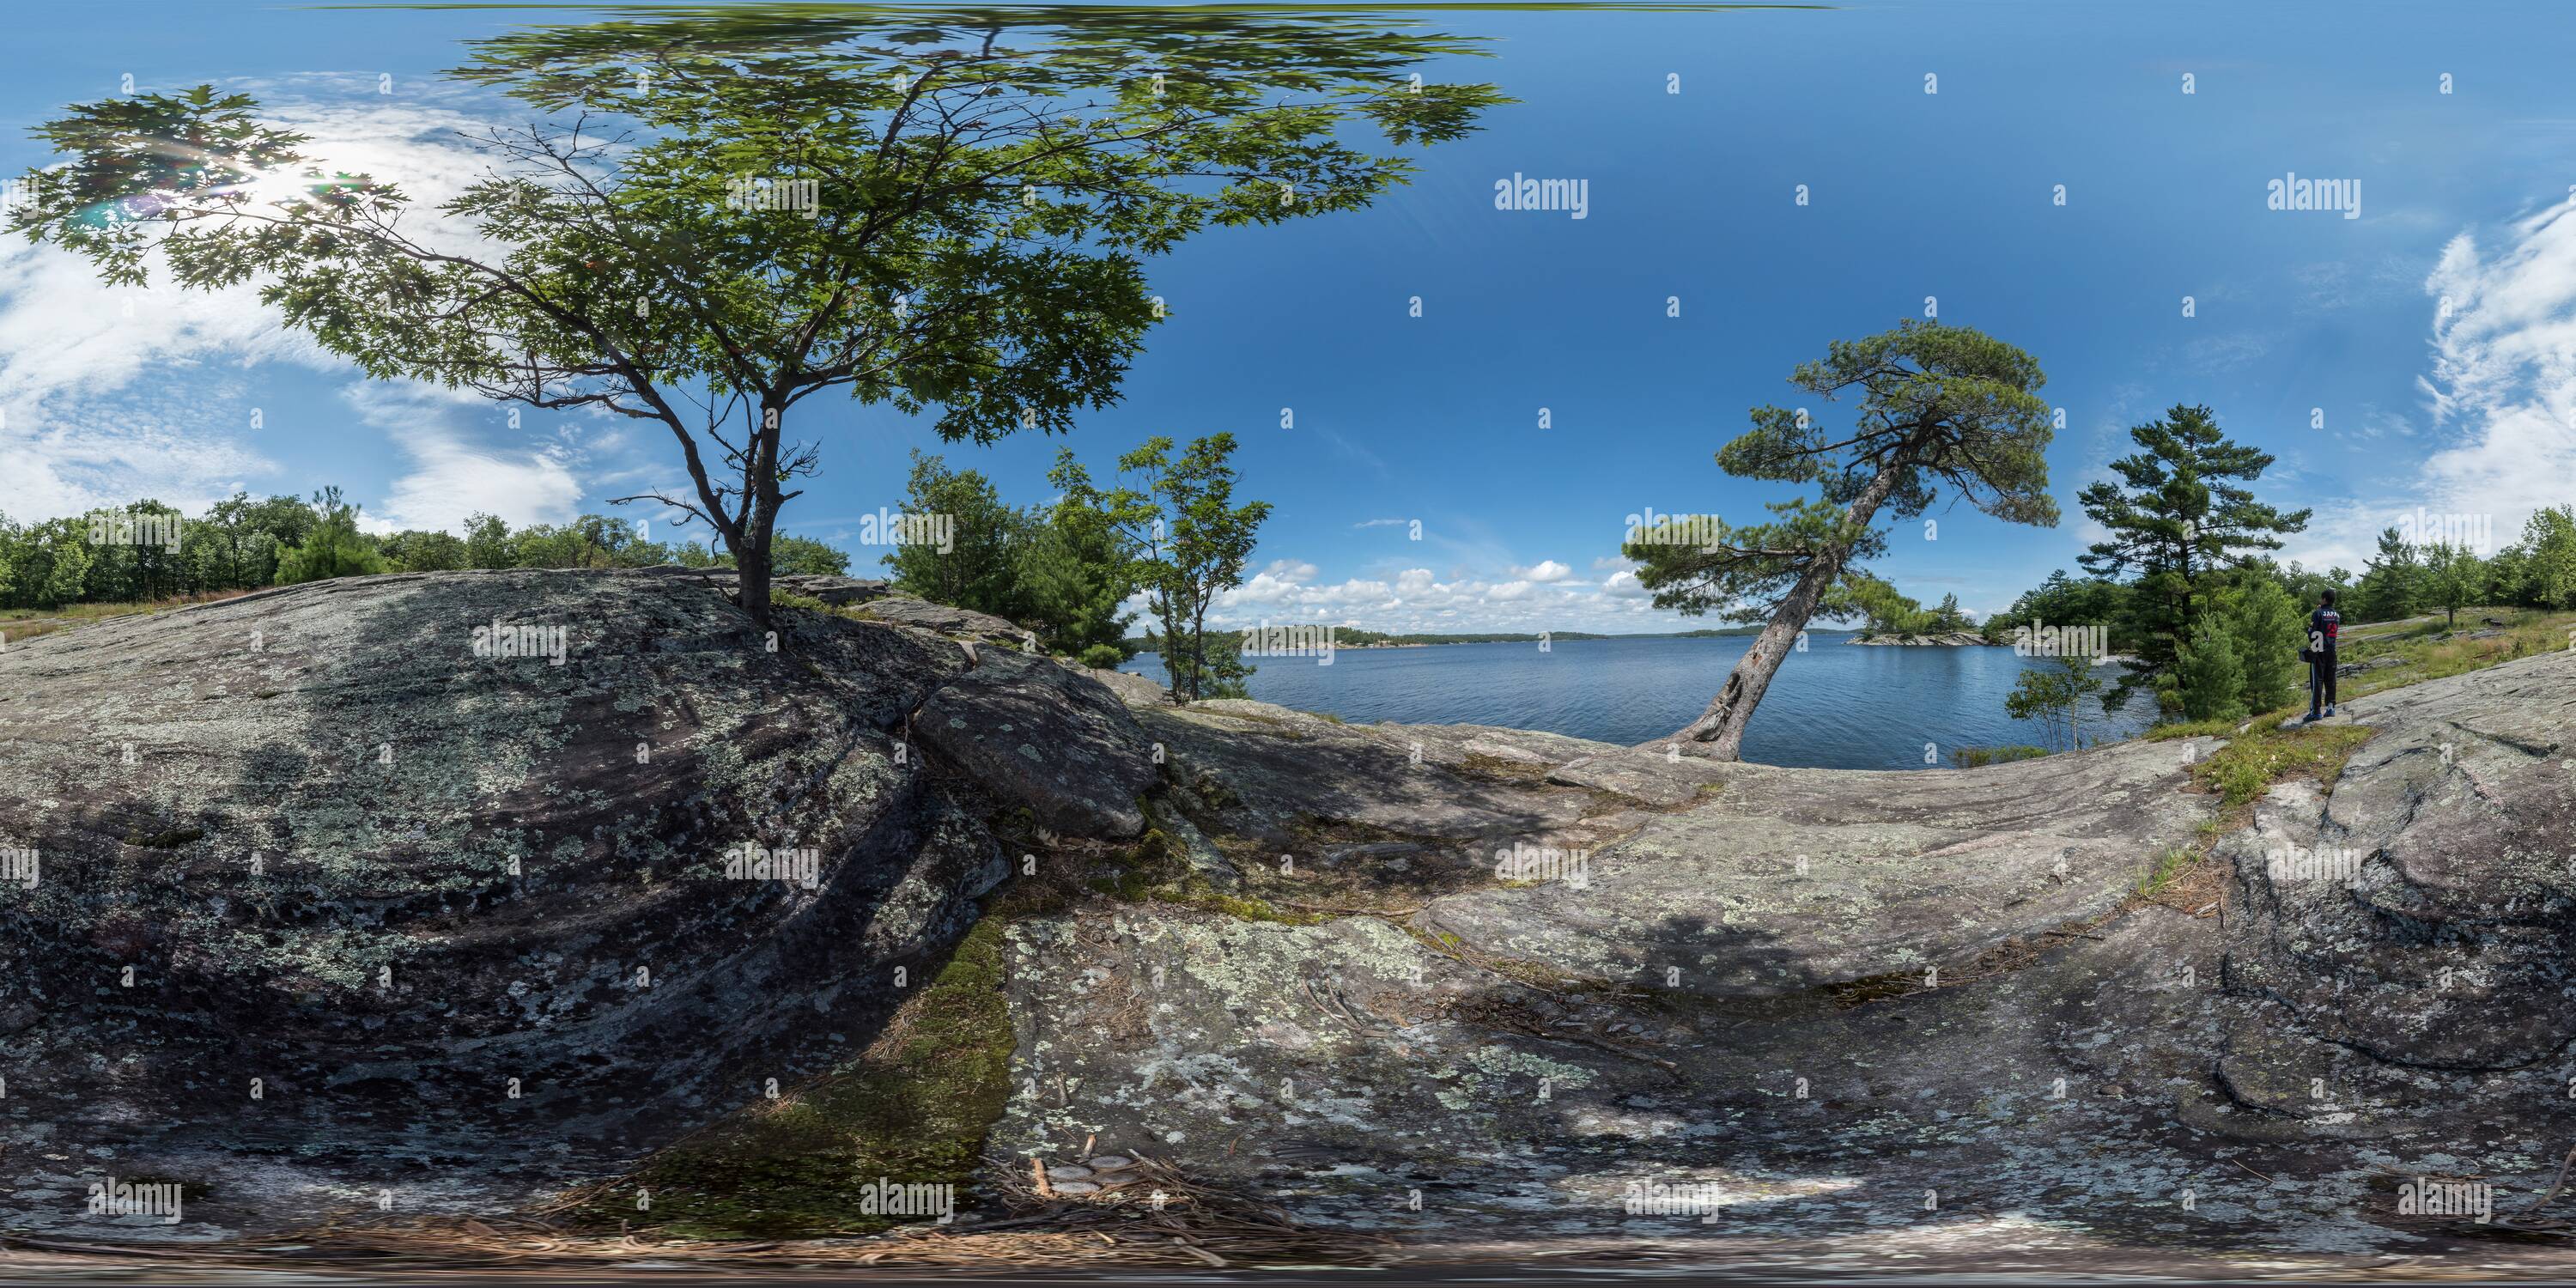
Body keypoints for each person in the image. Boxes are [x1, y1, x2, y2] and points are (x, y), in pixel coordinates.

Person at [2305, 587, 2342, 722]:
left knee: (2317, 680)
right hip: (2332, 648)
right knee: (2331, 679)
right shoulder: (2337, 615)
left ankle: (2316, 711)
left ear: (2324, 599)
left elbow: (2313, 634)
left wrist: (2310, 629)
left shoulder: (2318, 613)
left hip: (2319, 648)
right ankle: (2331, 708)